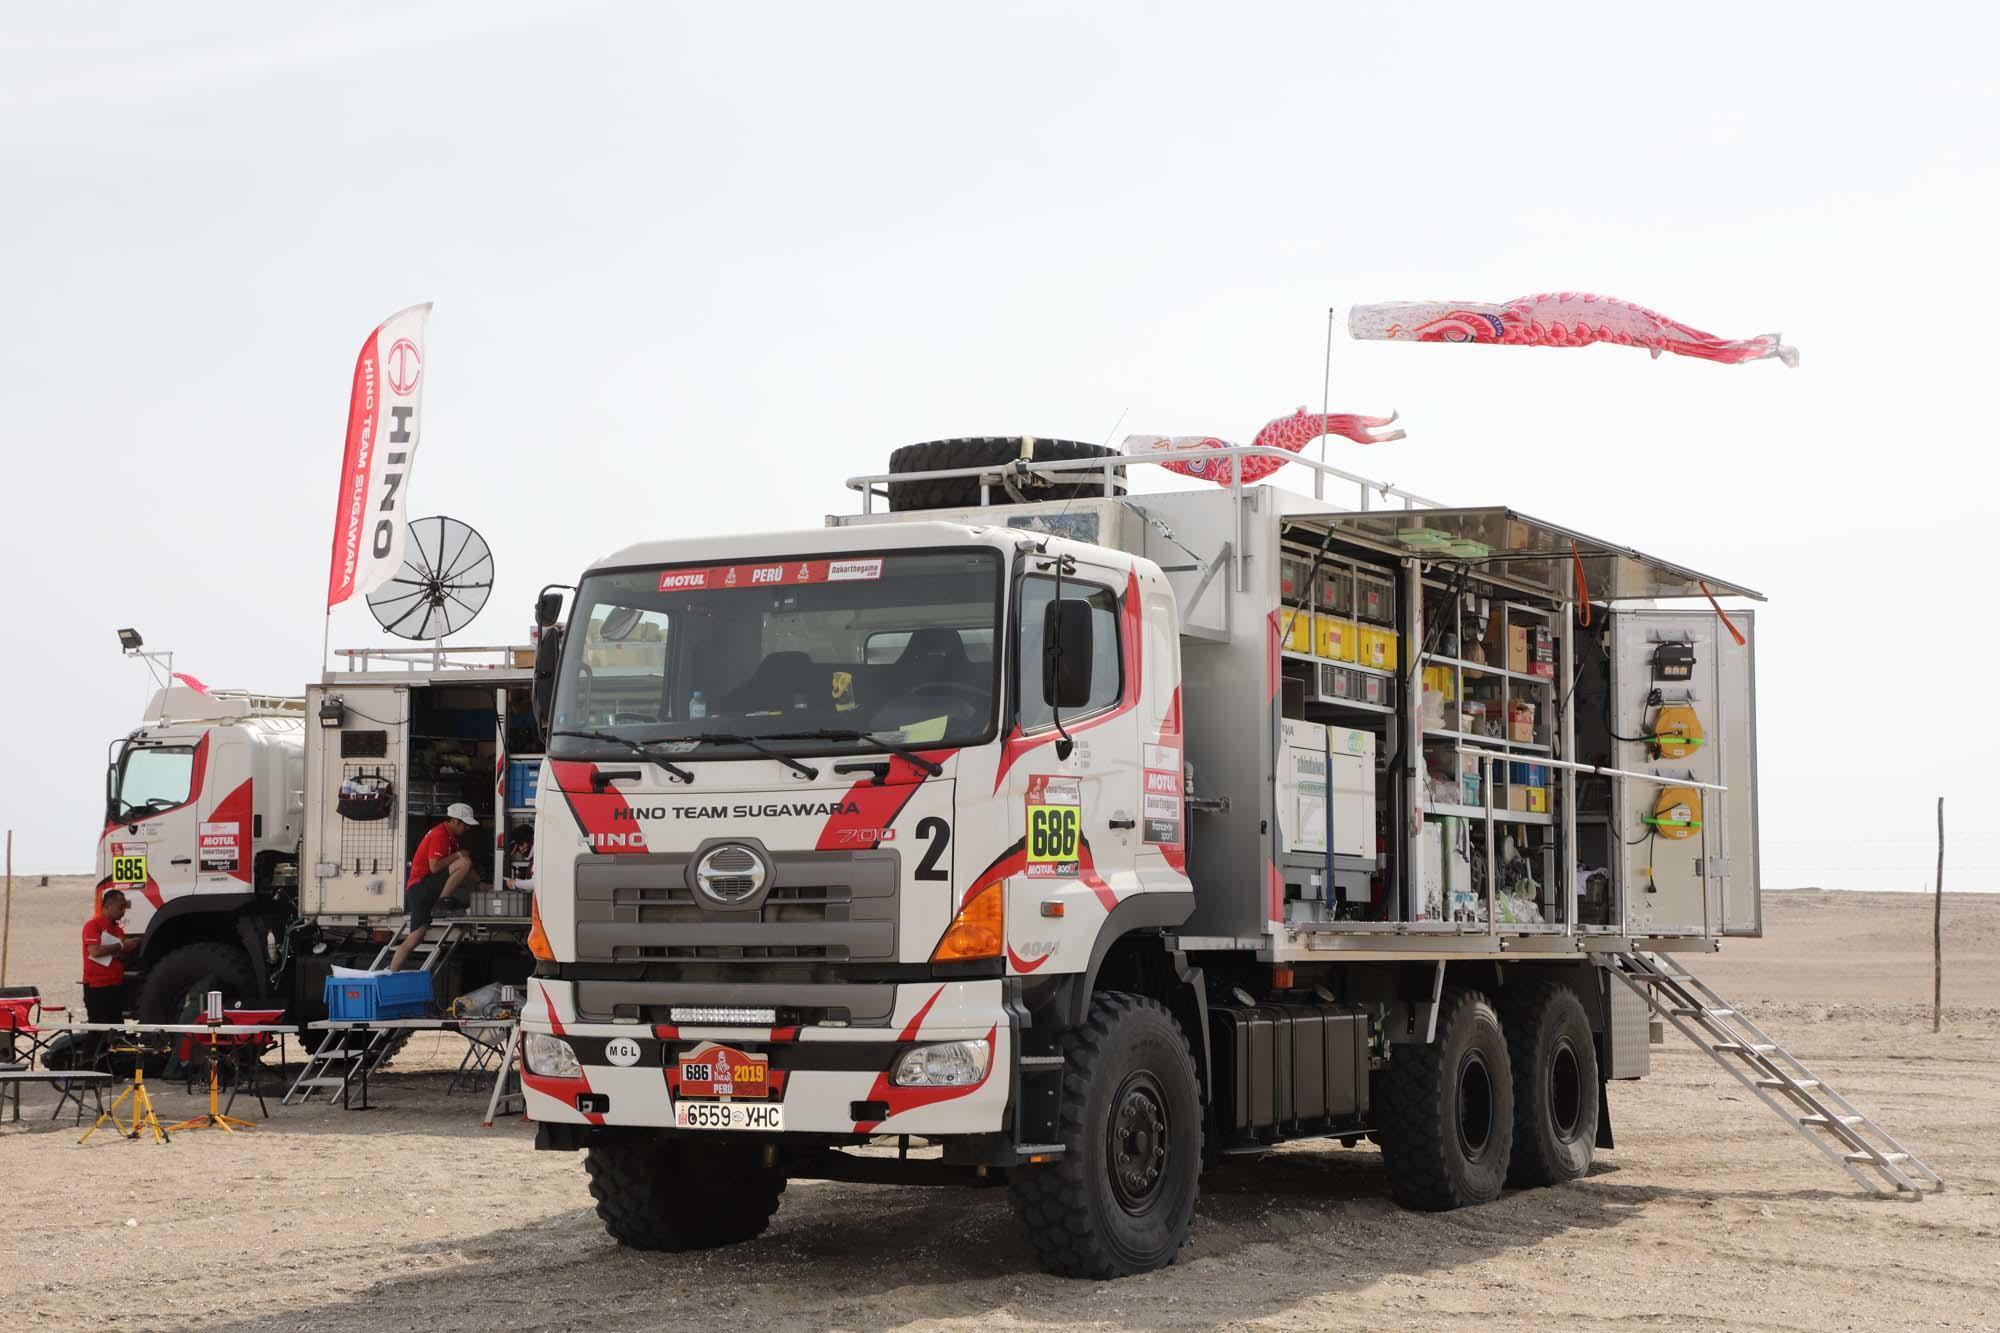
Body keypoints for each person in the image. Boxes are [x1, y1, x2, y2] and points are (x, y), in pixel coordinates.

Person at [389, 802, 483, 971]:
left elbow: (465, 870)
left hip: (419, 891)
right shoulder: (440, 834)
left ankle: (390, 973)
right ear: (455, 821)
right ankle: (442, 903)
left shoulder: (451, 837)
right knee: (464, 861)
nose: (467, 829)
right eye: (466, 825)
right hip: (421, 887)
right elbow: (435, 867)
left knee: (415, 938)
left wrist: (481, 884)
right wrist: (458, 855)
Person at [81, 888, 139, 1062]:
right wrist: (120, 946)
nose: (123, 911)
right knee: (97, 1030)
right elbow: (95, 951)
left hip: (115, 985)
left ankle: (109, 1068)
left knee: (115, 1030)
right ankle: (87, 1069)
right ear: (108, 906)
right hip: (97, 987)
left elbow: (118, 954)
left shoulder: (117, 929)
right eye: (120, 907)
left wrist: (127, 949)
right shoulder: (93, 925)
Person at [505, 823, 535, 893]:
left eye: (520, 845)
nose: (520, 851)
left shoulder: (537, 859)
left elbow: (535, 883)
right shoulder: (534, 859)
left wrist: (515, 883)